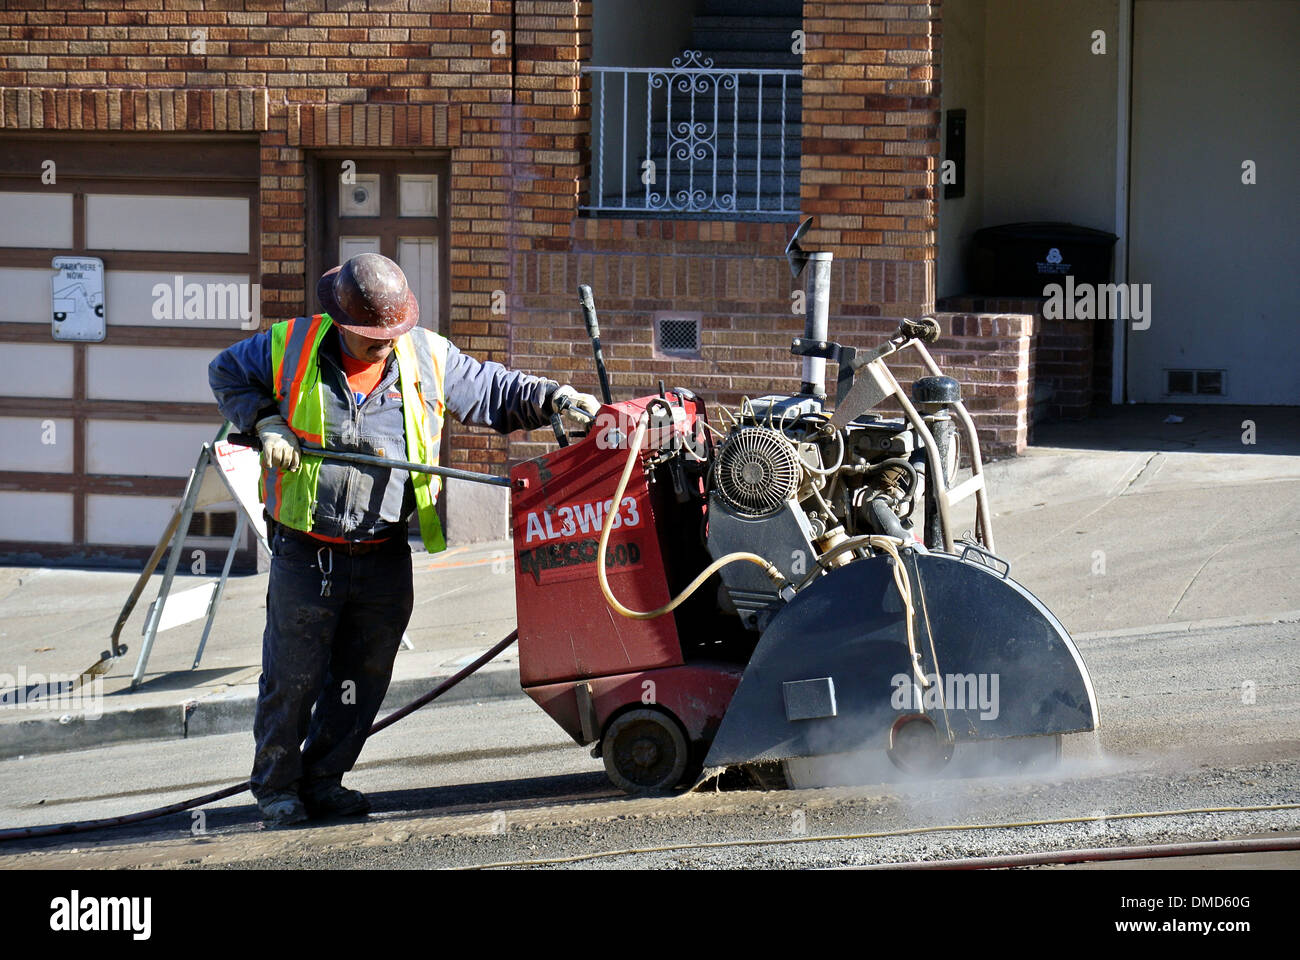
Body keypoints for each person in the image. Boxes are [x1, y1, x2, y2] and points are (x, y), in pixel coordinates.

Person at [208, 253, 599, 826]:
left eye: (392, 333)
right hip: (306, 548)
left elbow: (494, 388)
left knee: (361, 679)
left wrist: (554, 398)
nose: (385, 345)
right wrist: (264, 420)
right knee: (292, 676)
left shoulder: (428, 356)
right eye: (372, 338)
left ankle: (323, 778)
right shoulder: (288, 345)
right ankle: (276, 787)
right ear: (341, 323)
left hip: (383, 551)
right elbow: (225, 373)